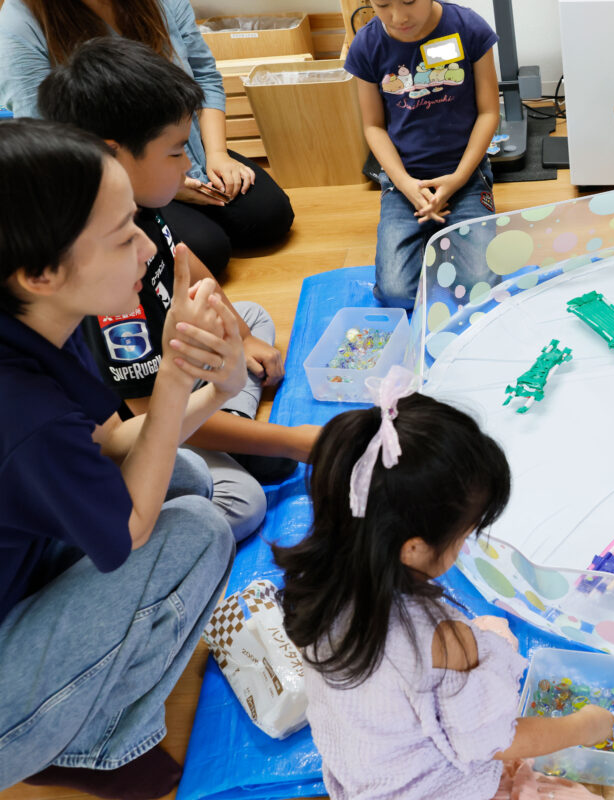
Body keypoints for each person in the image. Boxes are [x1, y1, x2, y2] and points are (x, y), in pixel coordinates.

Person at [0, 118, 242, 800]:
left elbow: (114, 440)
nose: (146, 247)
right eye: (121, 236)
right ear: (40, 274)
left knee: (186, 477)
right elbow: (130, 528)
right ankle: (90, 743)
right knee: (198, 531)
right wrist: (176, 373)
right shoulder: (24, 412)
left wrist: (216, 389)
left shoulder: (40, 318)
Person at [273, 368, 614, 799]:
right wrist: (583, 726)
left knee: (491, 632)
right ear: (413, 549)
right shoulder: (442, 641)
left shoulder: (316, 583)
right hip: (429, 788)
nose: (465, 544)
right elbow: (498, 742)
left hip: (363, 773)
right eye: (464, 535)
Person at [39, 38, 322, 541]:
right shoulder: (100, 278)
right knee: (240, 501)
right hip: (142, 418)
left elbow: (185, 265)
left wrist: (241, 338)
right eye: (175, 153)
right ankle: (233, 433)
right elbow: (144, 421)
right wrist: (293, 441)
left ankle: (231, 427)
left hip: (168, 372)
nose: (188, 167)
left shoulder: (139, 207)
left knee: (251, 316)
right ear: (112, 155)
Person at [0, 0, 295, 276]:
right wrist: (166, 184)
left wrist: (217, 154)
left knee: (270, 215)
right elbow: (48, 136)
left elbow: (205, 76)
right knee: (207, 249)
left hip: (182, 150)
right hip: (118, 175)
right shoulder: (20, 23)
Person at [344, 0, 500, 308]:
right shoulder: (367, 45)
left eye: (410, 1)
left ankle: (439, 233)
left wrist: (459, 178)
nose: (398, 17)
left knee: (480, 287)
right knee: (396, 293)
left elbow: (489, 112)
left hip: (465, 177)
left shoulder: (469, 28)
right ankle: (436, 234)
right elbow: (373, 126)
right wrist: (404, 183)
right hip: (404, 182)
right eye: (383, 4)